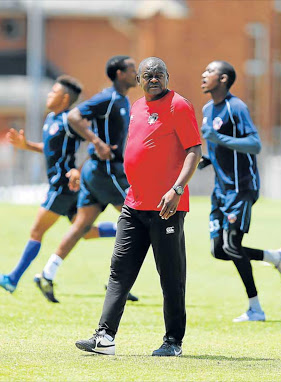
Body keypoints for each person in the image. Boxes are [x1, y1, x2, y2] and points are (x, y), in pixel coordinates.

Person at [75, 57, 202, 357]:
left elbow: (194, 150)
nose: (153, 79)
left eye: (159, 74)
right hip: (133, 205)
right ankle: (104, 337)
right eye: (147, 75)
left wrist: (177, 189)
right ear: (139, 79)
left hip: (166, 206)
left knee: (170, 275)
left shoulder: (179, 105)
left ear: (168, 77)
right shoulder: (136, 107)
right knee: (119, 271)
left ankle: (173, 341)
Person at [0, 75, 118, 293]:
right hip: (66, 188)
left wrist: (79, 169)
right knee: (84, 231)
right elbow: (50, 149)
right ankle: (127, 229)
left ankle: (12, 279)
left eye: (53, 92)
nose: (48, 95)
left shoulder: (70, 121)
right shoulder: (51, 119)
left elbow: (97, 145)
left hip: (63, 186)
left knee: (36, 230)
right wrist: (26, 145)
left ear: (65, 98)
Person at [34, 55, 139, 304]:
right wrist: (97, 142)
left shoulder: (123, 100)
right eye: (132, 69)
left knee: (81, 227)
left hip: (96, 172)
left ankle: (47, 274)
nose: (136, 73)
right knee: (140, 220)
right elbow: (74, 117)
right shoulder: (108, 97)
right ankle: (118, 281)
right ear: (119, 74)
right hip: (107, 172)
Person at [198, 60, 281, 323]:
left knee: (232, 245)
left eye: (209, 71)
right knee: (219, 250)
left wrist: (218, 139)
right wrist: (208, 158)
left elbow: (254, 144)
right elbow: (220, 148)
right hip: (220, 189)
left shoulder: (236, 107)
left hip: (241, 188)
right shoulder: (207, 109)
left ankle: (256, 309)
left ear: (224, 78)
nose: (203, 75)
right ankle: (275, 257)